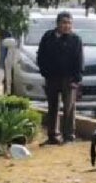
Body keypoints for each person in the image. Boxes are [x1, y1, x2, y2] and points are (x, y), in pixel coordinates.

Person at [36, 11, 83, 145]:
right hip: (51, 78)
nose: (66, 26)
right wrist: (44, 72)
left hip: (69, 79)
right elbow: (41, 56)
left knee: (69, 108)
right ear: (57, 24)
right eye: (64, 23)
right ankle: (53, 136)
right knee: (52, 107)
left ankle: (69, 136)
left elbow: (79, 60)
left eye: (69, 23)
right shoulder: (48, 37)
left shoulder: (75, 40)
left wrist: (76, 79)